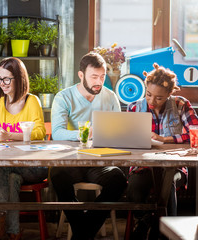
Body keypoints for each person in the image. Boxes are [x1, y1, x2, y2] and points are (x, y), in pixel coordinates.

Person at [50, 52, 127, 240]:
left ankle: (82, 233)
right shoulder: (64, 97)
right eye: (94, 77)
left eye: (102, 77)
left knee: (118, 178)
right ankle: (85, 232)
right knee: (57, 175)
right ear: (81, 75)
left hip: (98, 163)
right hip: (71, 162)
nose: (98, 82)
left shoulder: (110, 97)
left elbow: (120, 132)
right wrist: (84, 134)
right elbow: (57, 133)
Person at [126, 63, 198, 239]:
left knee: (167, 182)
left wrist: (165, 139)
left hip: (174, 168)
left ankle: (159, 232)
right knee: (134, 186)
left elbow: (195, 133)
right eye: (148, 94)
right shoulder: (134, 107)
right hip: (143, 167)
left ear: (169, 94)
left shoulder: (181, 104)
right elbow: (125, 141)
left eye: (159, 98)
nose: (151, 101)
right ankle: (148, 223)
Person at [0, 57, 47, 240]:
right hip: (11, 164)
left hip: (34, 165)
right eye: (0, 79)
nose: (3, 83)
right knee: (11, 176)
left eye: (7, 79)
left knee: (1, 167)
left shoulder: (32, 101)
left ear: (19, 78)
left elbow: (40, 132)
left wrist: (9, 135)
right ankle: (13, 232)